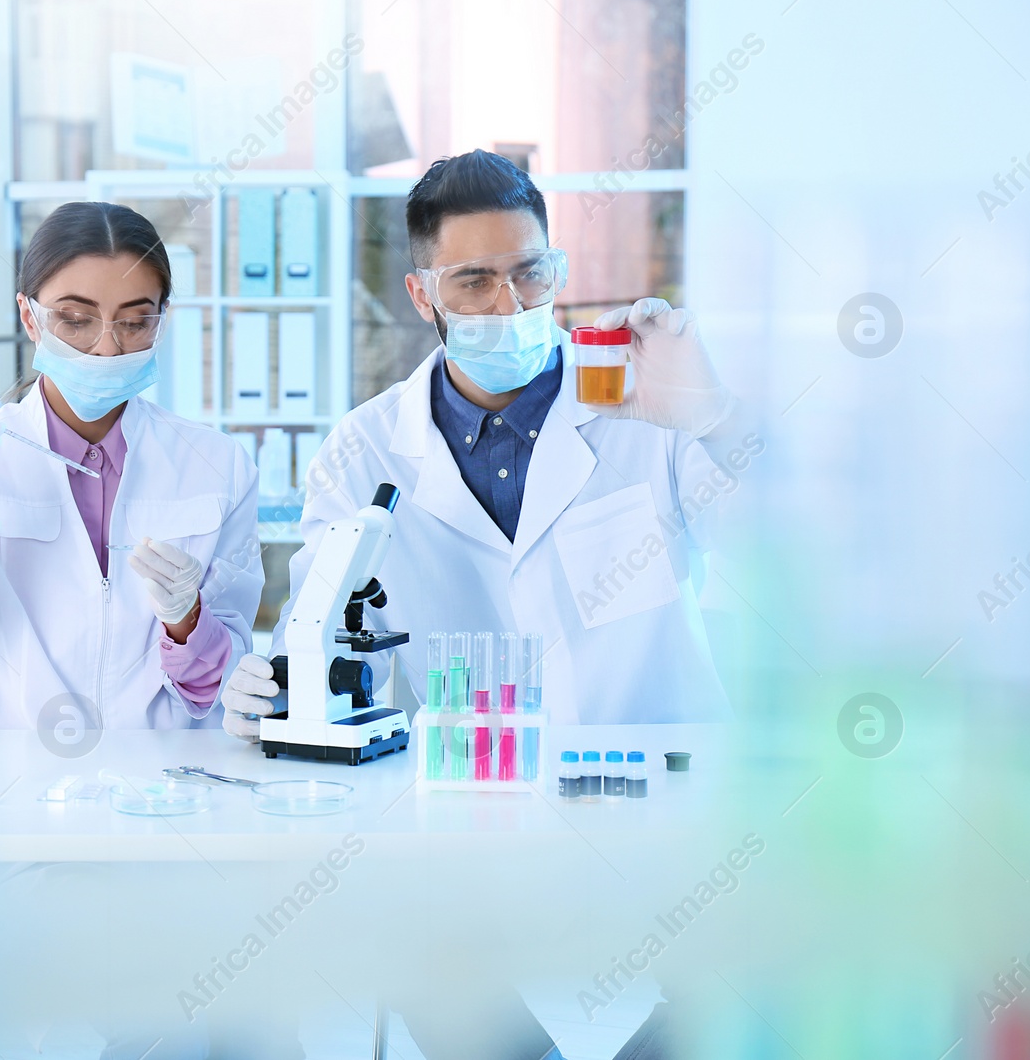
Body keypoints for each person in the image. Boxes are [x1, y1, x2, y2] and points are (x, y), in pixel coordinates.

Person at [220, 148, 749, 1059]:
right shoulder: (364, 452)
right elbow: (325, 637)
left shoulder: (639, 411)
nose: (510, 304)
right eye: (474, 281)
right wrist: (268, 691)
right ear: (423, 295)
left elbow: (785, 548)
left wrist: (714, 418)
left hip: (661, 825)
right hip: (464, 835)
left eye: (530, 272)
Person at [0, 200, 262, 734]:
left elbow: (225, 686)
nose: (105, 347)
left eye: (134, 322)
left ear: (162, 322)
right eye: (75, 321)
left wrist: (185, 619)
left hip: (165, 787)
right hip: (13, 779)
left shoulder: (216, 467)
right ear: (30, 317)